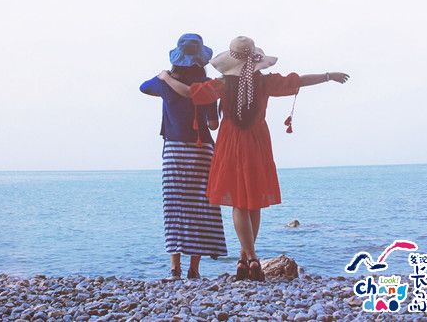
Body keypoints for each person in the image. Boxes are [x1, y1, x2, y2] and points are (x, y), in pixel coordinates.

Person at [158, 36, 349, 281]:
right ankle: (244, 258)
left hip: (230, 143)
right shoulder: (265, 82)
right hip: (258, 142)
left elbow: (188, 92)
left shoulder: (221, 84)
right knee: (254, 201)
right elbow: (298, 80)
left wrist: (165, 77)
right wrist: (328, 75)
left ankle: (251, 258)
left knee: (239, 203)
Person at [140, 33, 227, 280]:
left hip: (175, 151)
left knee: (175, 207)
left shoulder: (164, 82)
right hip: (202, 151)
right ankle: (194, 269)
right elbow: (213, 125)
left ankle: (174, 268)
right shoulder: (208, 86)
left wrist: (165, 76)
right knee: (201, 206)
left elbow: (143, 87)